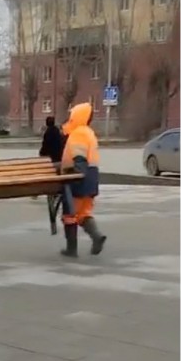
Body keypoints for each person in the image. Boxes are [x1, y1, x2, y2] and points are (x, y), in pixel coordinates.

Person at [58, 102, 106, 257]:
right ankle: (96, 236)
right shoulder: (89, 133)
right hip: (91, 179)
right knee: (83, 213)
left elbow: (80, 159)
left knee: (69, 215)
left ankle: (71, 249)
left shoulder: (79, 133)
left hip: (78, 180)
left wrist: (74, 174)